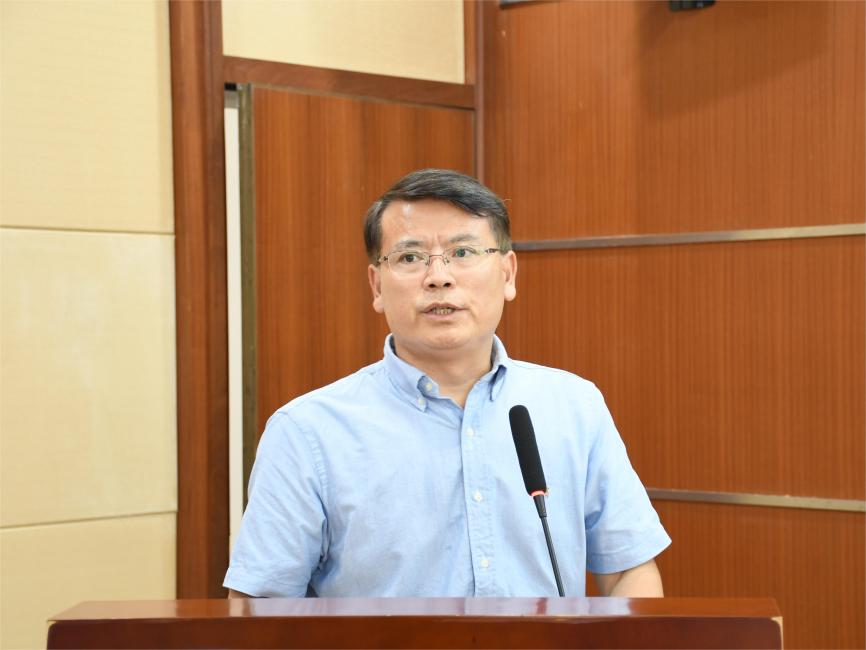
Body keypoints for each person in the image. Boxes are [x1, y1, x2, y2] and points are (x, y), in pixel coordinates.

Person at [225, 169, 670, 598]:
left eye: (463, 252)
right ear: (376, 286)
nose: (439, 276)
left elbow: (629, 571)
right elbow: (260, 609)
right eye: (410, 257)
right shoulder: (307, 433)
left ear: (508, 274)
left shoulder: (574, 406)